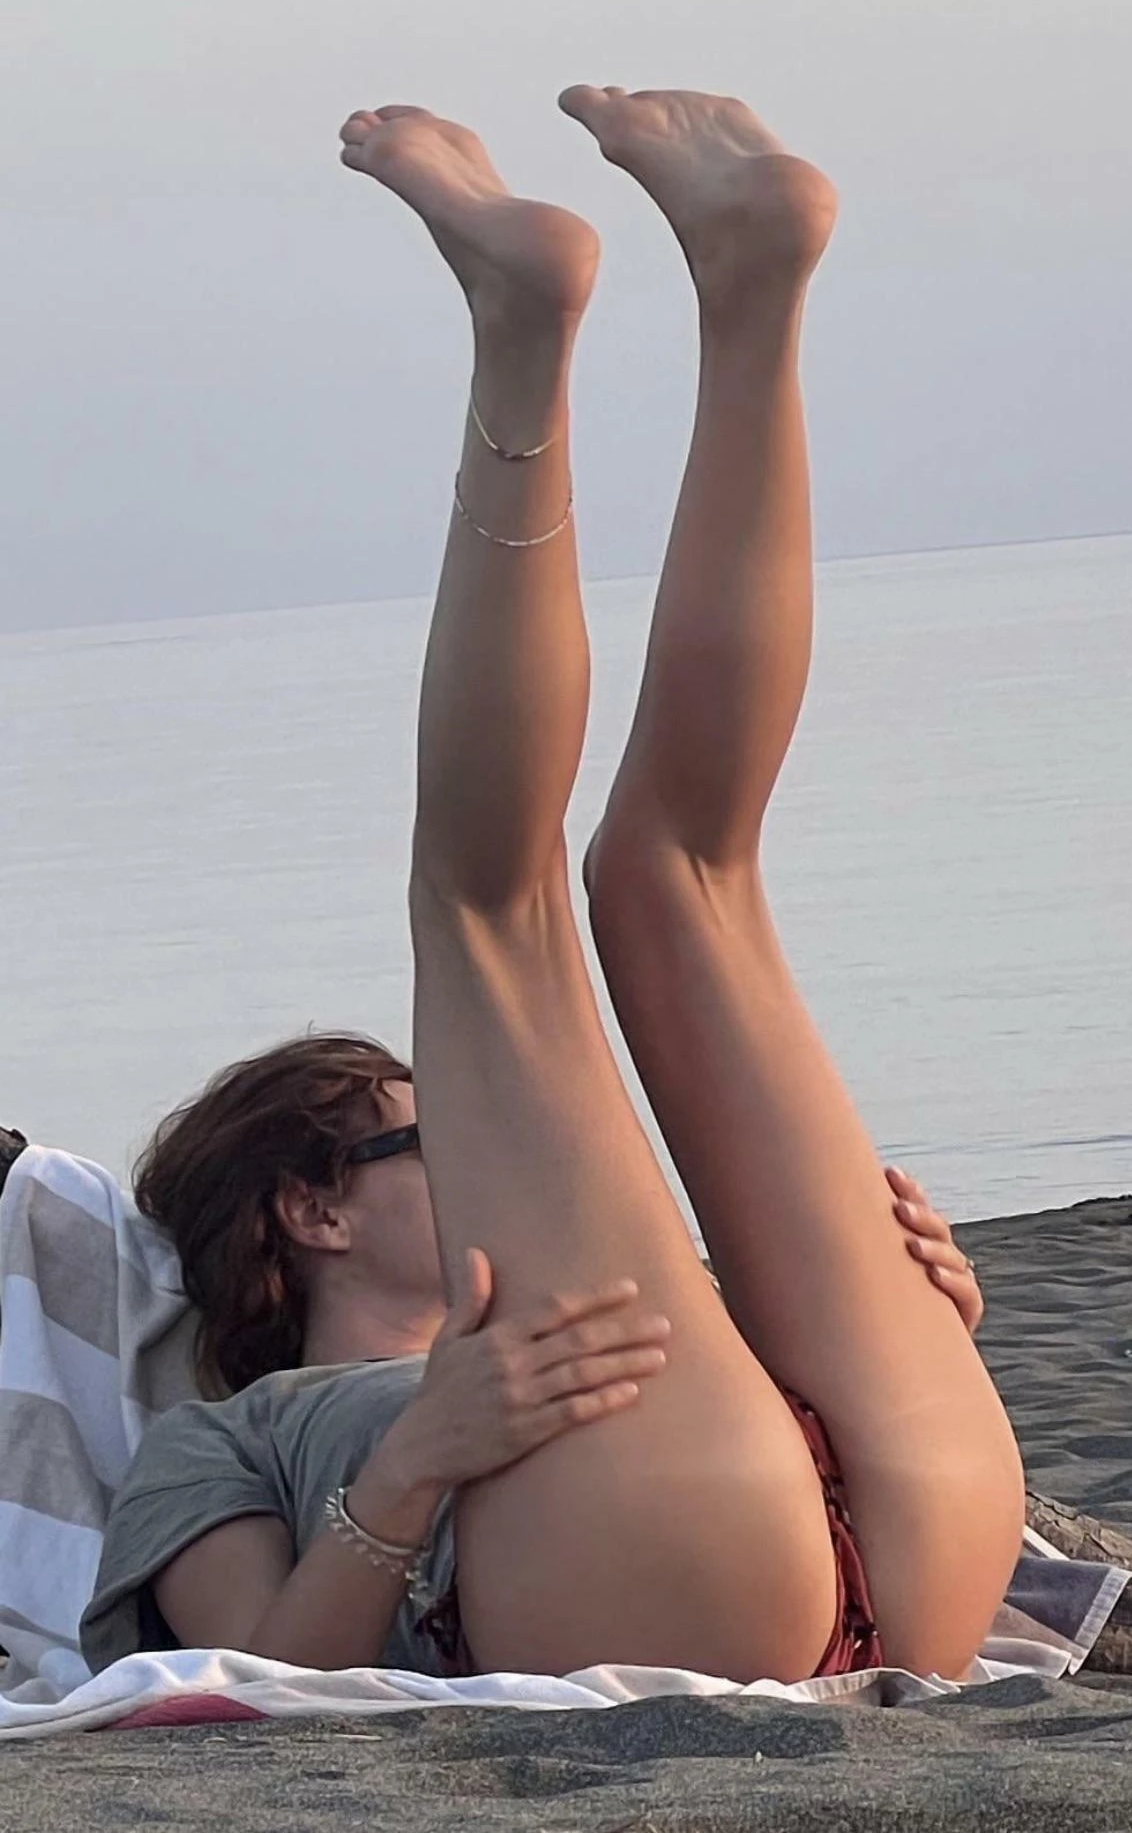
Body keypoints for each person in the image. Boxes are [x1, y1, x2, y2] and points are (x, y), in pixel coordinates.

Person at [82, 89, 1025, 1689]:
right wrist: (415, 1466)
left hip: (856, 1498)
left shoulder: (638, 1322)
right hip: (707, 1540)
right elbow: (266, 1692)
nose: (503, 1135)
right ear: (311, 1212)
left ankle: (737, 288)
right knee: (521, 905)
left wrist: (909, 1297)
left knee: (668, 877)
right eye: (428, 1127)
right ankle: (548, 326)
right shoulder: (228, 1439)